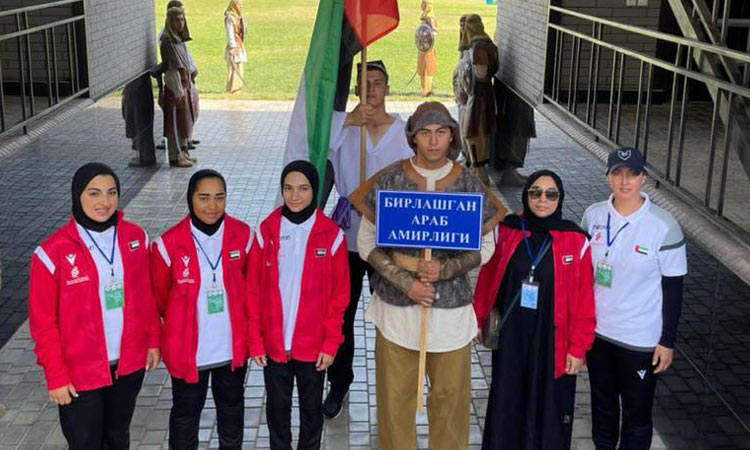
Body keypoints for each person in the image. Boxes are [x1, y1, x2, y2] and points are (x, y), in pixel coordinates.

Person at [349, 102, 506, 450]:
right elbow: (366, 242)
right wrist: (408, 284)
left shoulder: (468, 184)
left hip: (449, 312)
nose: (433, 141)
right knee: (394, 402)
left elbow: (487, 244)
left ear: (452, 136)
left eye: (441, 132)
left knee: (450, 401)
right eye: (425, 132)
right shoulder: (391, 178)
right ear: (413, 138)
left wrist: (444, 269)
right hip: (396, 310)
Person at [29, 163, 160, 449]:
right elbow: (43, 323)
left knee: (117, 436)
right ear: (78, 196)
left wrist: (152, 339)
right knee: (86, 442)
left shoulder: (135, 237)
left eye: (112, 192)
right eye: (94, 193)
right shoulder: (52, 253)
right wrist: (55, 375)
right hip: (79, 372)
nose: (105, 202)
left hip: (127, 364)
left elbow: (145, 295)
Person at [473, 170, 596, 449]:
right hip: (513, 335)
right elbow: (488, 276)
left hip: (553, 339)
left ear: (560, 199)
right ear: (526, 195)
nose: (542, 199)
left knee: (549, 407)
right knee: (508, 400)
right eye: (535, 192)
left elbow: (584, 299)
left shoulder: (576, 240)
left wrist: (579, 348)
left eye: (551, 194)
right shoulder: (508, 230)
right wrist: (477, 317)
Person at [322, 60, 414, 419]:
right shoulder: (344, 129)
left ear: (387, 88)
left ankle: (395, 385)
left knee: (391, 312)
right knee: (341, 313)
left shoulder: (404, 133)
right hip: (347, 236)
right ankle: (339, 381)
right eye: (364, 83)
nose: (371, 89)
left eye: (377, 82)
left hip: (388, 237)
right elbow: (310, 141)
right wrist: (346, 120)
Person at [581, 147, 687, 450]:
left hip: (640, 340)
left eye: (632, 174)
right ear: (608, 177)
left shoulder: (664, 225)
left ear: (644, 178)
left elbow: (673, 288)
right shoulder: (594, 215)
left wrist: (667, 341)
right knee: (602, 407)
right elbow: (581, 274)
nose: (624, 181)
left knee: (637, 414)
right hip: (598, 334)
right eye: (617, 173)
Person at [247, 160, 350, 450]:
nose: (295, 196)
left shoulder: (331, 236)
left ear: (315, 191)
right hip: (274, 345)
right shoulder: (266, 231)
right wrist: (255, 340)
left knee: (310, 411)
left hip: (313, 346)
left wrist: (330, 344)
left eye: (303, 188)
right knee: (277, 410)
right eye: (288, 189)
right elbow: (252, 290)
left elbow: (339, 297)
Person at [150, 170, 254, 450]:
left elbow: (251, 293)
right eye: (204, 197)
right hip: (188, 352)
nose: (213, 206)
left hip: (230, 349)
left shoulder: (244, 236)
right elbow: (160, 299)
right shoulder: (166, 245)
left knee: (232, 410)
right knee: (185, 416)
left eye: (220, 197)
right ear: (190, 198)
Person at [453, 14, 498, 186]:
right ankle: (473, 166)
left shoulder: (479, 47)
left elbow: (480, 73)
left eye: (465, 26)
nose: (463, 30)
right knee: (471, 131)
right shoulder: (477, 45)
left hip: (479, 96)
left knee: (474, 132)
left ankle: (481, 173)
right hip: (474, 95)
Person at [159, 5, 197, 167]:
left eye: (182, 20)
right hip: (176, 87)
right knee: (175, 123)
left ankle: (184, 152)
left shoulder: (179, 40)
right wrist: (178, 90)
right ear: (170, 22)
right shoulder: (168, 43)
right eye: (177, 20)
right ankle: (176, 157)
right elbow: (172, 69)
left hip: (184, 85)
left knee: (183, 121)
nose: (180, 23)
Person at [224, 0, 247, 93]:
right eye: (238, 4)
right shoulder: (230, 18)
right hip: (234, 45)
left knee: (239, 66)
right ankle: (233, 89)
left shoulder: (238, 16)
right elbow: (230, 32)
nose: (240, 6)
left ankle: (238, 88)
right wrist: (232, 46)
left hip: (239, 43)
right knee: (234, 67)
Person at [417, 1, 438, 97]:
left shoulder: (430, 17)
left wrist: (427, 38)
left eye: (424, 4)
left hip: (428, 47)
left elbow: (433, 32)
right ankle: (423, 88)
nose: (422, 6)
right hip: (422, 46)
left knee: (428, 67)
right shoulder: (424, 15)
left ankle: (427, 90)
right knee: (422, 67)